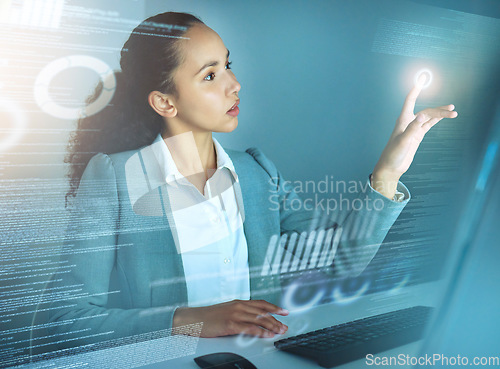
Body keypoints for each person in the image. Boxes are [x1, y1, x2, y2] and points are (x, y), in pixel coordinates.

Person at [48, 11, 457, 347]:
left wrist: (388, 172)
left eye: (227, 65)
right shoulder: (115, 178)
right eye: (210, 76)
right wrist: (191, 321)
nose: (234, 84)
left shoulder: (257, 171)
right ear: (164, 101)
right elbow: (69, 318)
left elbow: (342, 260)